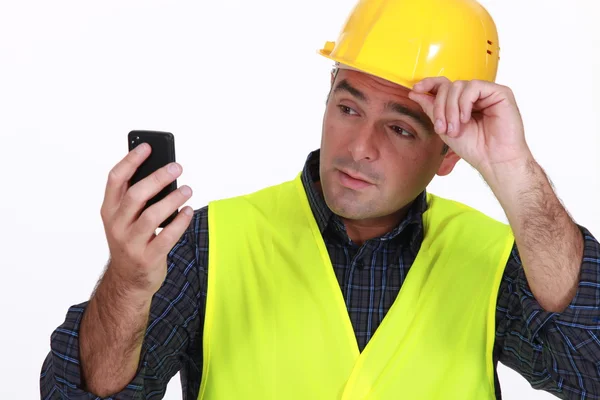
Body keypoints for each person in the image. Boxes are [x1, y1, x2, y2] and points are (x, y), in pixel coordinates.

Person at [40, 0, 600, 398]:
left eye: (401, 130)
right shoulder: (206, 246)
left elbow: (590, 370)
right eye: (348, 108)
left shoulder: (493, 259)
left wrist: (516, 173)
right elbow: (81, 394)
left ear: (448, 154)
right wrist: (129, 282)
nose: (360, 147)